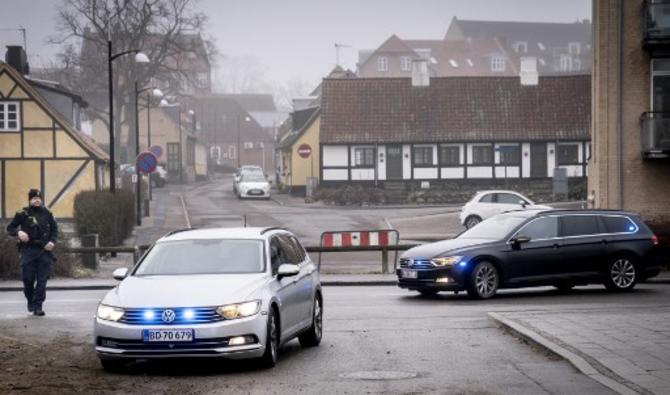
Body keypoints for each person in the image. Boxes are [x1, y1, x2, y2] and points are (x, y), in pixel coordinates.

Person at [6, 189, 58, 316]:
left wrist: (52, 241)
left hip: (43, 250)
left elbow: (54, 229)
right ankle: (30, 300)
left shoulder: (48, 213)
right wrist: (18, 232)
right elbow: (10, 228)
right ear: (30, 200)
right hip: (27, 250)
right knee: (27, 279)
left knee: (42, 280)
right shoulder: (22, 213)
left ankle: (37, 306)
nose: (37, 200)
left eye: (39, 198)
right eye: (34, 198)